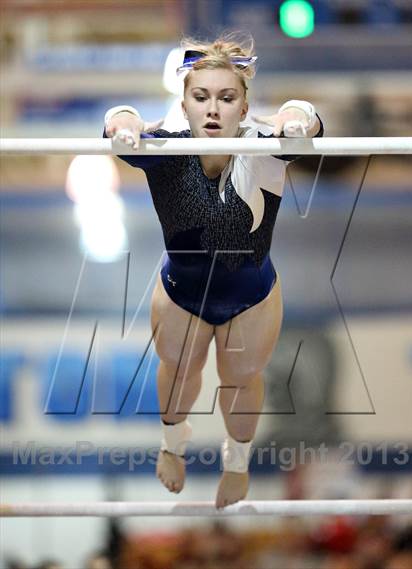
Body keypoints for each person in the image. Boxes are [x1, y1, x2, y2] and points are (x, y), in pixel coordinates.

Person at [104, 33, 323, 509]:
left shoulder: (268, 145)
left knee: (241, 376)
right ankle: (172, 446)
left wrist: (297, 116)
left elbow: (309, 122)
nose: (213, 109)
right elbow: (118, 125)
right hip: (181, 291)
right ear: (184, 103)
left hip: (253, 294)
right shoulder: (165, 150)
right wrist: (122, 120)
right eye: (201, 97)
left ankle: (238, 464)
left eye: (227, 98)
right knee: (180, 371)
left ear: (244, 108)